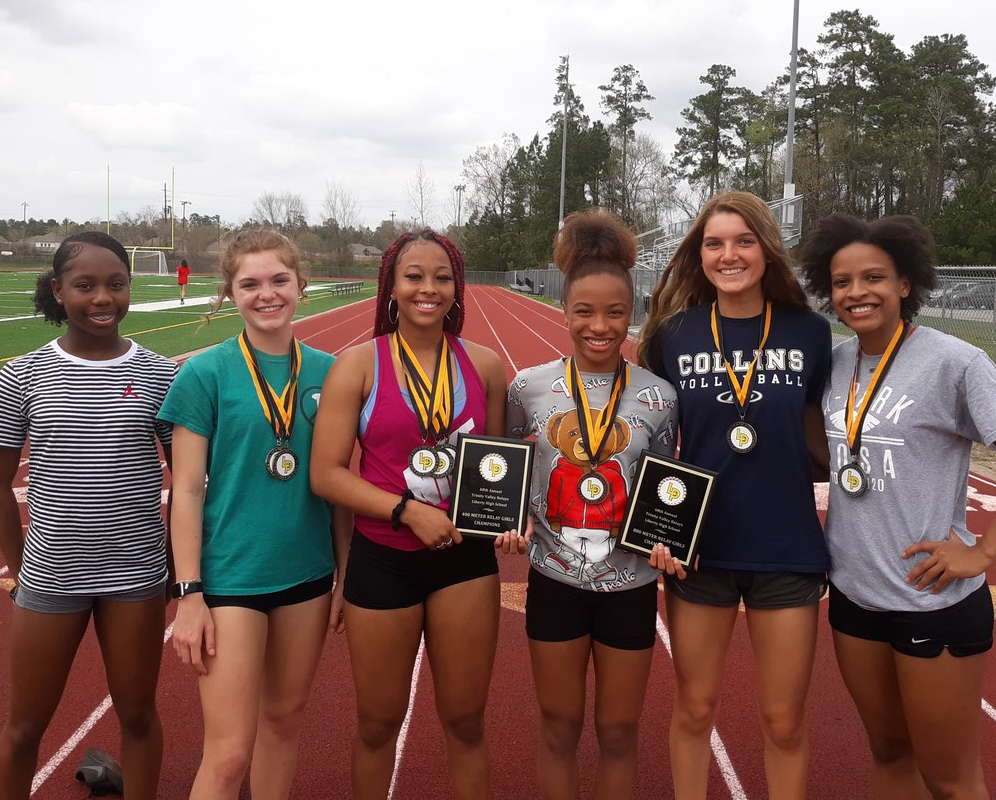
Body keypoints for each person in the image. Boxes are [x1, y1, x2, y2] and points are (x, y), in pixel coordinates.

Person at [798, 214, 996, 798]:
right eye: (842, 282)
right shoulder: (837, 365)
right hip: (854, 593)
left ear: (905, 284)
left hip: (930, 598)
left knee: (950, 777)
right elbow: (830, 456)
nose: (856, 293)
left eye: (873, 278)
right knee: (889, 754)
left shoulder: (955, 362)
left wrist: (984, 550)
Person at [638, 191, 832, 799]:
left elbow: (822, 439)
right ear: (699, 256)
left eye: (744, 241)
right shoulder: (673, 334)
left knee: (783, 719)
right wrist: (657, 531)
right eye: (715, 243)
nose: (730, 255)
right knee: (695, 709)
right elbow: (654, 442)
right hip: (700, 550)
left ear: (766, 249)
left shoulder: (810, 331)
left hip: (787, 547)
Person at [310, 228, 509, 800]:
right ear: (391, 286)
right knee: (377, 725)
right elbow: (327, 473)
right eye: (414, 277)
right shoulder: (356, 366)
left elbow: (495, 468)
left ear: (457, 287)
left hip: (463, 562)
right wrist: (406, 511)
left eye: (442, 277)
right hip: (384, 560)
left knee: (467, 722)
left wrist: (505, 516)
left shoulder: (486, 366)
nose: (429, 289)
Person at [0, 231, 177, 800]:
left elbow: (188, 481)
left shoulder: (160, 374)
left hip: (136, 578)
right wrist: (19, 567)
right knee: (25, 725)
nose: (102, 299)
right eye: (85, 286)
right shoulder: (23, 375)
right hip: (51, 576)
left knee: (138, 715)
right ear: (57, 291)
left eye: (116, 285)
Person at [158, 228, 350, 799]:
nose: (266, 294)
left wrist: (346, 575)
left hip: (308, 577)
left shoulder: (331, 371)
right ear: (230, 292)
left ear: (301, 285)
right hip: (231, 580)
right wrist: (189, 593)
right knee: (228, 753)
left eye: (278, 280)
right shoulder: (203, 373)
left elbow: (338, 485)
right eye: (250, 284)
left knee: (283, 728)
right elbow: (186, 490)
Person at [504, 210, 677, 800]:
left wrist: (669, 536)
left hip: (629, 590)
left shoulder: (660, 397)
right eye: (584, 311)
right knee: (558, 728)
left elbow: (668, 492)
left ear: (633, 313)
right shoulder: (527, 387)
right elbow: (505, 474)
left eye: (615, 312)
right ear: (565, 311)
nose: (599, 326)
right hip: (552, 583)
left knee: (620, 731)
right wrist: (514, 518)